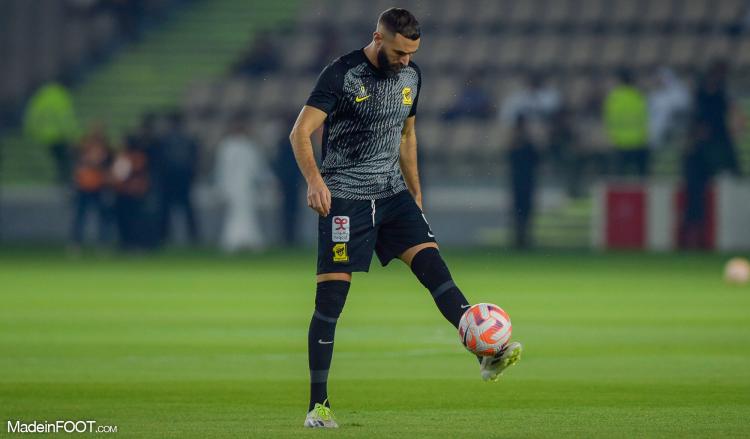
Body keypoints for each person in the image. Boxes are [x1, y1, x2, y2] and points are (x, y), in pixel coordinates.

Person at [289, 8, 522, 429]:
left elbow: (407, 135)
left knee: (437, 273)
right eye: (399, 52)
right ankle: (317, 407)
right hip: (345, 198)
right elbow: (300, 132)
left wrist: (415, 190)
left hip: (393, 195)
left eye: (411, 53)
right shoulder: (341, 74)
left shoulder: (411, 77)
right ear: (377, 38)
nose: (405, 61)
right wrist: (314, 181)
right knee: (331, 304)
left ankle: (488, 354)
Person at [214, 116, 274, 253]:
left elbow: (257, 167)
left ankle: (247, 240)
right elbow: (222, 169)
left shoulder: (247, 146)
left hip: (245, 186)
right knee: (234, 213)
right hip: (235, 186)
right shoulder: (228, 146)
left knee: (247, 213)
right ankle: (234, 241)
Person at [69, 122, 112, 251]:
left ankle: (102, 243)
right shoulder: (84, 145)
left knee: (102, 216)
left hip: (99, 185)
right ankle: (76, 243)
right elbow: (78, 163)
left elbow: (106, 165)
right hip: (84, 185)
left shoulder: (106, 148)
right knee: (80, 216)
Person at [159, 111, 200, 244]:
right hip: (179, 178)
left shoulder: (167, 140)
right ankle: (191, 236)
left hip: (175, 179)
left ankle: (166, 235)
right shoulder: (186, 140)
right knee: (181, 209)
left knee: (172, 209)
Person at [604, 68, 649, 177]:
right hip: (638, 141)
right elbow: (645, 118)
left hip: (619, 142)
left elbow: (608, 121)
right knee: (641, 177)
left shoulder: (613, 98)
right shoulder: (638, 96)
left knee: (620, 178)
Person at [508, 115, 540, 249]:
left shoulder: (525, 143)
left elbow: (536, 158)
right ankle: (519, 238)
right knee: (520, 210)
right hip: (521, 181)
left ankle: (524, 238)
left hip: (525, 181)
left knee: (525, 210)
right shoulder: (516, 143)